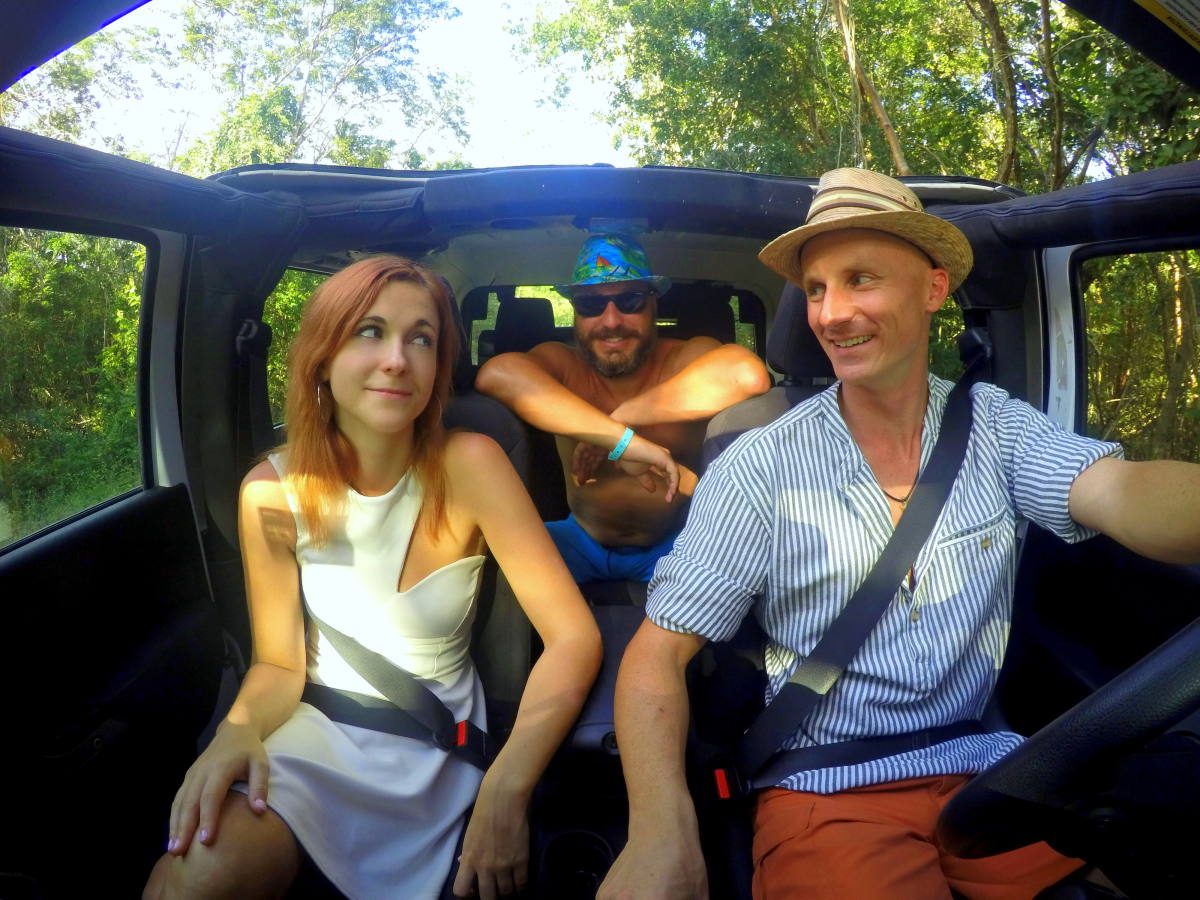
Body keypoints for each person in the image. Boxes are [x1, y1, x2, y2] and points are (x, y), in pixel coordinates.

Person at [597, 168, 1200, 899]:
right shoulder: (760, 464)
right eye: (816, 289)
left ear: (934, 289)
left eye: (860, 280)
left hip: (995, 775)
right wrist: (663, 826)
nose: (831, 313)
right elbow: (656, 655)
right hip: (829, 791)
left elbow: (1121, 490)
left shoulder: (999, 427)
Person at [144, 255, 602, 899]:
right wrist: (237, 730)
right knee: (193, 876)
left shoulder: (473, 463)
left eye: (422, 338)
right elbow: (279, 664)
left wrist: (507, 787)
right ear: (321, 358)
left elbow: (573, 639)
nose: (397, 359)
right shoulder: (269, 492)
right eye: (370, 331)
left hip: (437, 745)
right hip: (315, 737)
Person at [475, 232, 771, 583]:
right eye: (590, 305)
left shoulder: (683, 360)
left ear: (654, 306)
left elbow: (747, 374)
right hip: (578, 539)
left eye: (629, 301)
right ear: (575, 314)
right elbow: (497, 374)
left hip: (677, 543)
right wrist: (625, 443)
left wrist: (622, 420)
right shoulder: (562, 364)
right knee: (491, 572)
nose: (611, 321)